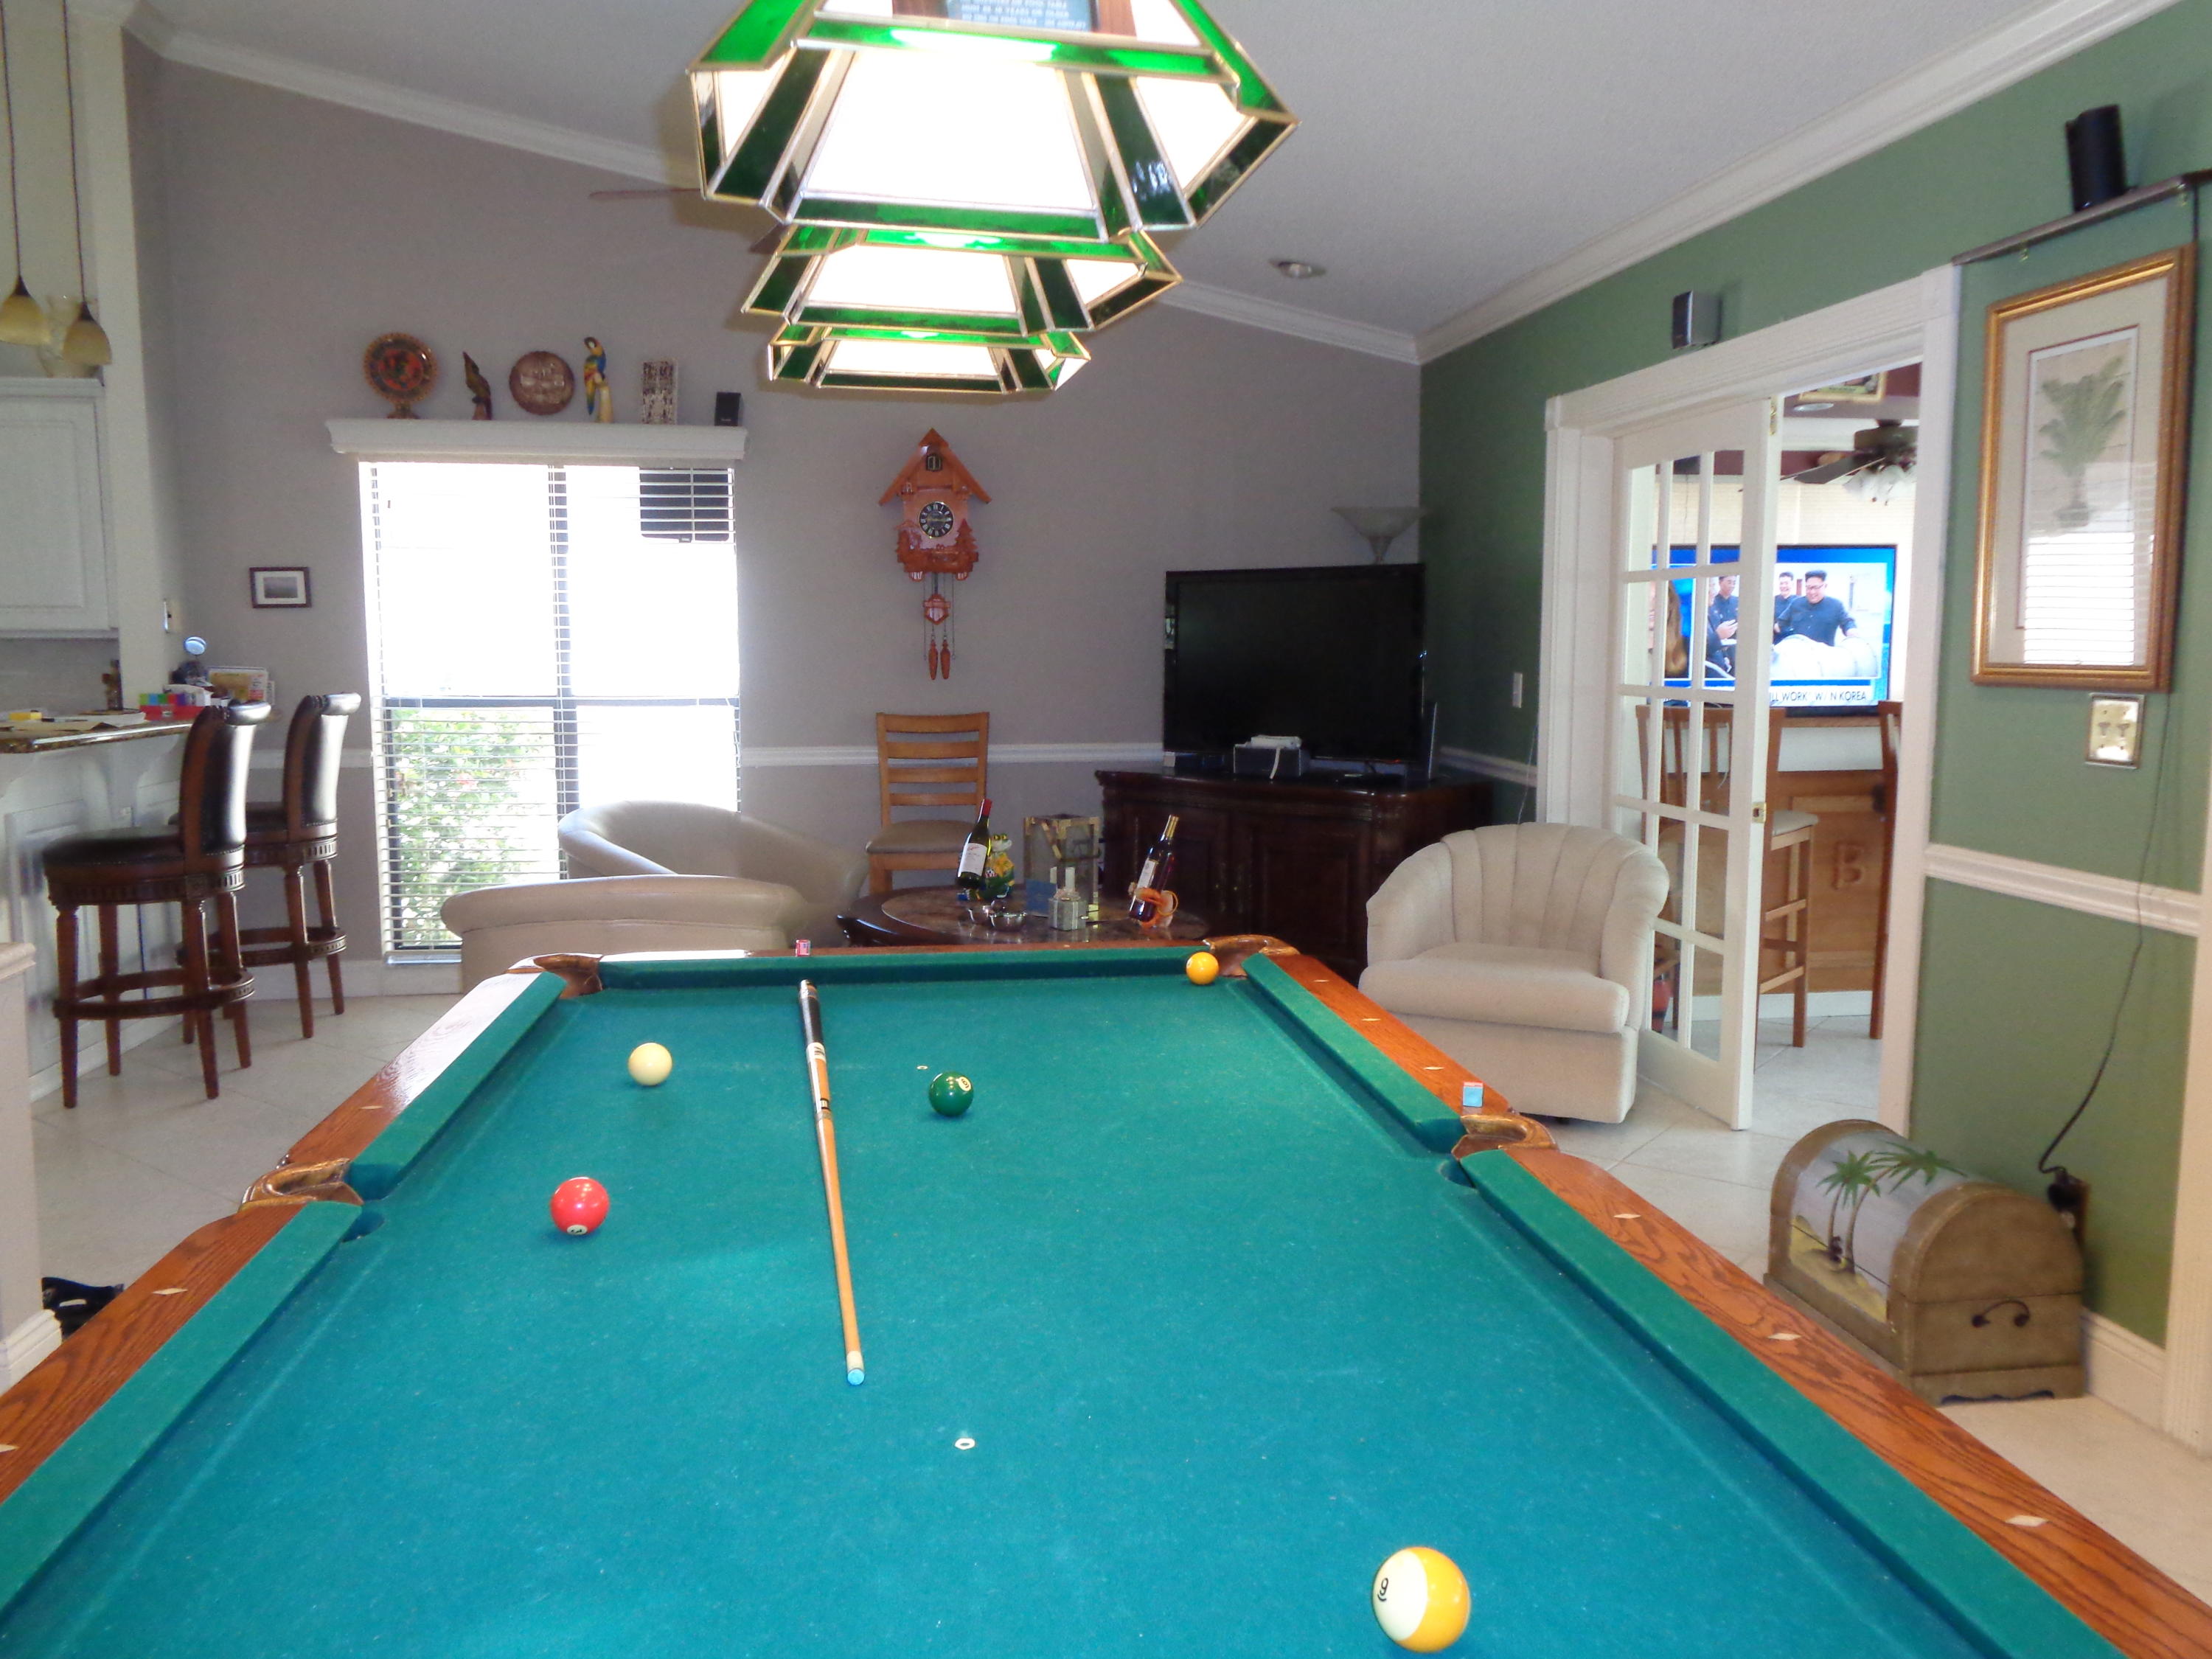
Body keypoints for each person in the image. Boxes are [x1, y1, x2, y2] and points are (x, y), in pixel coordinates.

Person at [1774, 569, 1857, 647]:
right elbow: (1780, 625)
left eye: (1816, 587)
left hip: (1823, 655)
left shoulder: (1836, 605)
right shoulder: (1796, 603)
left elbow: (1848, 623)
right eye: (1808, 588)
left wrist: (1852, 632)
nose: (1812, 592)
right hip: (1798, 653)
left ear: (1825, 586)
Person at [1704, 573, 1739, 676]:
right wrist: (1718, 636)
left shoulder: (1736, 601)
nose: (1714, 592)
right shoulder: (1690, 616)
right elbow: (1696, 649)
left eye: (1734, 583)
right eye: (1711, 586)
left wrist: (1724, 656)